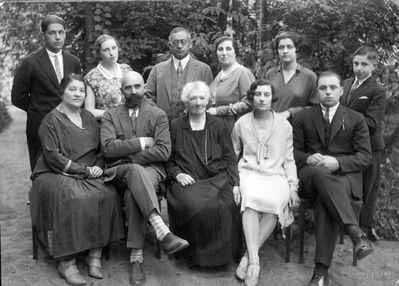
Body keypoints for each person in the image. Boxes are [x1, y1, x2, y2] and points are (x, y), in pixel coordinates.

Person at [29, 74, 125, 286]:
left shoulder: (90, 118)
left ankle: (94, 254)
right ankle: (67, 261)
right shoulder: (51, 120)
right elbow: (53, 156)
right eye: (72, 89)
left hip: (88, 170)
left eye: (81, 90)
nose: (78, 94)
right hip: (54, 173)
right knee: (72, 197)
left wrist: (98, 168)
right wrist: (83, 171)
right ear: (61, 93)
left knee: (107, 194)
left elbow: (101, 150)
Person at [100, 71, 189, 286]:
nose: (133, 91)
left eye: (137, 86)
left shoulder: (157, 114)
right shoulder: (110, 115)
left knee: (134, 192)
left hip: (151, 171)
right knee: (134, 173)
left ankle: (136, 254)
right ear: (122, 90)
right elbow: (108, 149)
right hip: (118, 172)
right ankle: (161, 229)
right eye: (128, 87)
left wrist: (128, 153)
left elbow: (164, 151)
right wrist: (141, 142)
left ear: (144, 88)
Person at [292, 71, 373, 286]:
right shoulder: (303, 117)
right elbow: (293, 153)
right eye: (322, 88)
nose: (327, 92)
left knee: (325, 203)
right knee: (320, 174)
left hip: (344, 177)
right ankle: (355, 232)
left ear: (341, 90)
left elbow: (365, 157)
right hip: (311, 175)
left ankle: (320, 272)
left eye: (332, 88)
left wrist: (338, 163)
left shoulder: (356, 119)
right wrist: (309, 158)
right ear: (317, 91)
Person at [231, 79, 300, 286]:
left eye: (266, 95)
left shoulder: (284, 125)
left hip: (275, 176)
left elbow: (289, 160)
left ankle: (247, 258)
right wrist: (233, 181)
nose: (262, 99)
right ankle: (255, 263)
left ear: (272, 98)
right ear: (252, 97)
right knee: (250, 199)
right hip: (249, 174)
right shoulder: (242, 122)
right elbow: (232, 155)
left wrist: (292, 187)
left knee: (275, 204)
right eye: (258, 94)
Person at [166, 81, 241, 268]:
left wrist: (236, 183)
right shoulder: (175, 126)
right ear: (186, 102)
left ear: (209, 101)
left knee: (225, 203)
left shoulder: (219, 124)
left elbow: (230, 157)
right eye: (193, 98)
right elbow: (168, 159)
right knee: (191, 203)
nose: (198, 103)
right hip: (188, 180)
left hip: (216, 178)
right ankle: (195, 257)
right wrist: (177, 175)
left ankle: (221, 259)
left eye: (202, 98)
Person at [11, 14, 81, 171]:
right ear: (43, 35)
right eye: (52, 32)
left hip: (69, 125)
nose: (57, 37)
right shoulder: (30, 62)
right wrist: (37, 109)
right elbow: (17, 97)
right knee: (40, 171)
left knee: (69, 171)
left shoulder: (73, 62)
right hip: (40, 126)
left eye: (61, 32)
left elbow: (78, 91)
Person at [341, 46, 386, 242]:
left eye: (364, 64)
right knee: (350, 185)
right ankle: (347, 225)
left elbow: (372, 123)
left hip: (370, 146)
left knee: (369, 187)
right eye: (356, 63)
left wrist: (343, 121)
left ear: (373, 66)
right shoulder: (346, 83)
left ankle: (365, 227)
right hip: (347, 146)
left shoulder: (377, 90)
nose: (358, 68)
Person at [145, 27, 213, 120]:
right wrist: (158, 115)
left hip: (193, 126)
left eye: (183, 42)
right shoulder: (157, 70)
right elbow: (148, 97)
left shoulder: (204, 70)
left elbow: (209, 99)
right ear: (170, 45)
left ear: (190, 44)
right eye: (175, 42)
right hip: (163, 127)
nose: (180, 46)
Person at [265, 31, 317, 121]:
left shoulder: (309, 76)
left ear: (296, 49)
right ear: (277, 51)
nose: (285, 51)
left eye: (289, 47)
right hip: (272, 127)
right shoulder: (270, 74)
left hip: (297, 129)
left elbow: (316, 108)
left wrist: (290, 112)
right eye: (281, 47)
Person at [208, 36, 256, 132]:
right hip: (217, 130)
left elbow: (249, 103)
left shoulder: (243, 73)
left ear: (235, 52)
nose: (224, 53)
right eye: (220, 49)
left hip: (235, 130)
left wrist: (219, 111)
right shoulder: (218, 76)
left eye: (228, 49)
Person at [84, 34, 133, 119]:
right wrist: (115, 114)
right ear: (99, 53)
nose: (111, 53)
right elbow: (89, 111)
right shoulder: (91, 78)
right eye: (106, 50)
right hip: (108, 126)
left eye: (114, 48)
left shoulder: (127, 70)